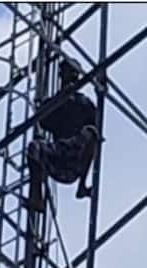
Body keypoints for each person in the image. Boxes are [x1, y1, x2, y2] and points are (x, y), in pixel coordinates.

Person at [26, 58, 101, 212]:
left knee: (91, 133)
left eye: (72, 73)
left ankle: (82, 187)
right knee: (35, 147)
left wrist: (100, 89)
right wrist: (57, 100)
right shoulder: (55, 102)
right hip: (57, 158)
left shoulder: (84, 103)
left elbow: (96, 128)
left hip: (75, 159)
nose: (69, 76)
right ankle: (36, 198)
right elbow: (42, 121)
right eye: (66, 72)